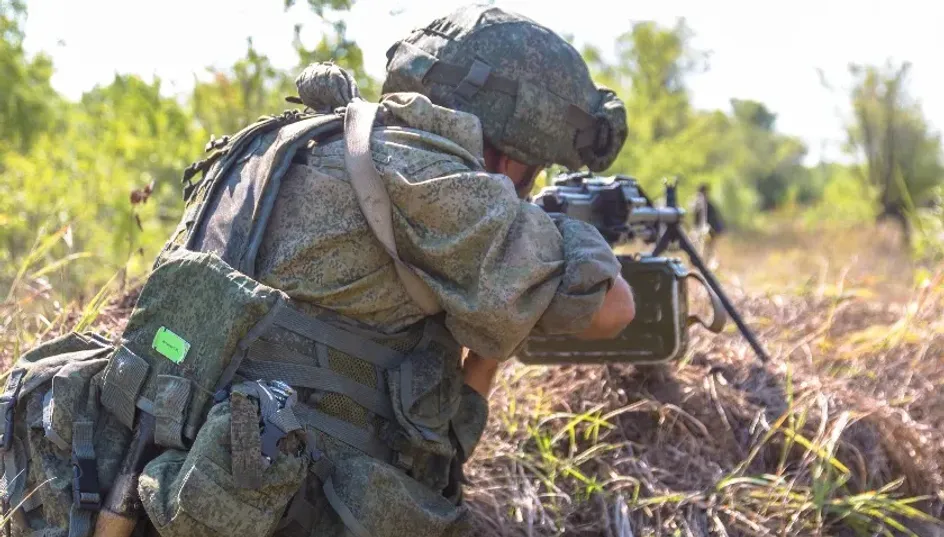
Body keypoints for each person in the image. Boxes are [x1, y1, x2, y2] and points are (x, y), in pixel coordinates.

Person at [136, 5, 636, 537]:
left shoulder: (282, 141)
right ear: (513, 154)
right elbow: (614, 310)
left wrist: (498, 326)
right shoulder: (431, 178)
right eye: (532, 174)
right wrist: (560, 227)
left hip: (172, 474)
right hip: (279, 503)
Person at [692, 183, 725, 267]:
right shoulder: (699, 204)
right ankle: (702, 266)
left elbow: (714, 220)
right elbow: (696, 220)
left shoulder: (708, 205)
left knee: (708, 250)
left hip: (709, 232)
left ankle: (705, 266)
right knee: (700, 249)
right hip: (701, 232)